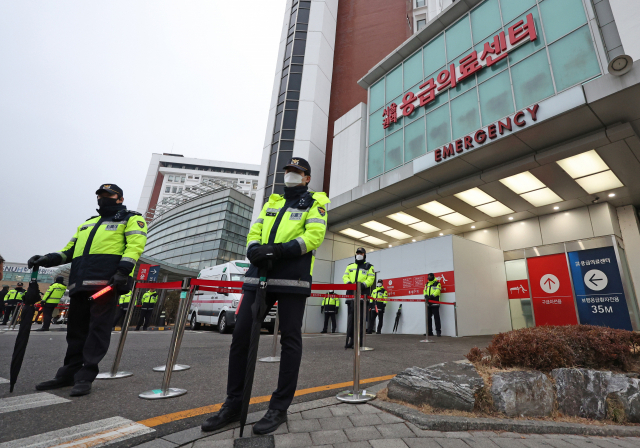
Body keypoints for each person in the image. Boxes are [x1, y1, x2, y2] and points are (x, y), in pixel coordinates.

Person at [200, 157, 329, 435]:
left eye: (297, 172)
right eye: (288, 171)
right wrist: (254, 249)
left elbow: (314, 237)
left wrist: (279, 250)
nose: (290, 174)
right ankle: (233, 404)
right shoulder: (272, 202)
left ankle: (279, 408)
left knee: (290, 339)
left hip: (292, 278)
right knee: (241, 336)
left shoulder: (315, 203)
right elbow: (254, 231)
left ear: (306, 178)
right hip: (258, 275)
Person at [28, 183, 147, 397]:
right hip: (79, 285)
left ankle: (85, 376)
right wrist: (46, 259)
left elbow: (135, 247)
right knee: (75, 332)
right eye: (100, 195)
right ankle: (68, 373)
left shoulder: (131, 219)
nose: (103, 198)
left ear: (120, 198)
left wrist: (123, 271)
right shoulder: (87, 223)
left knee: (97, 332)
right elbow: (68, 251)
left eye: (108, 195)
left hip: (105, 285)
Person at [342, 248, 375, 349]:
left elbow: (371, 279)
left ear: (364, 255)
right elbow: (345, 276)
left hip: (362, 295)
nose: (359, 254)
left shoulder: (369, 266)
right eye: (358, 253)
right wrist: (348, 283)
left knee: (360, 320)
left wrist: (363, 285)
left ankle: (359, 341)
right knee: (351, 319)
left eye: (361, 253)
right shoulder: (350, 266)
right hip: (351, 294)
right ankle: (351, 340)